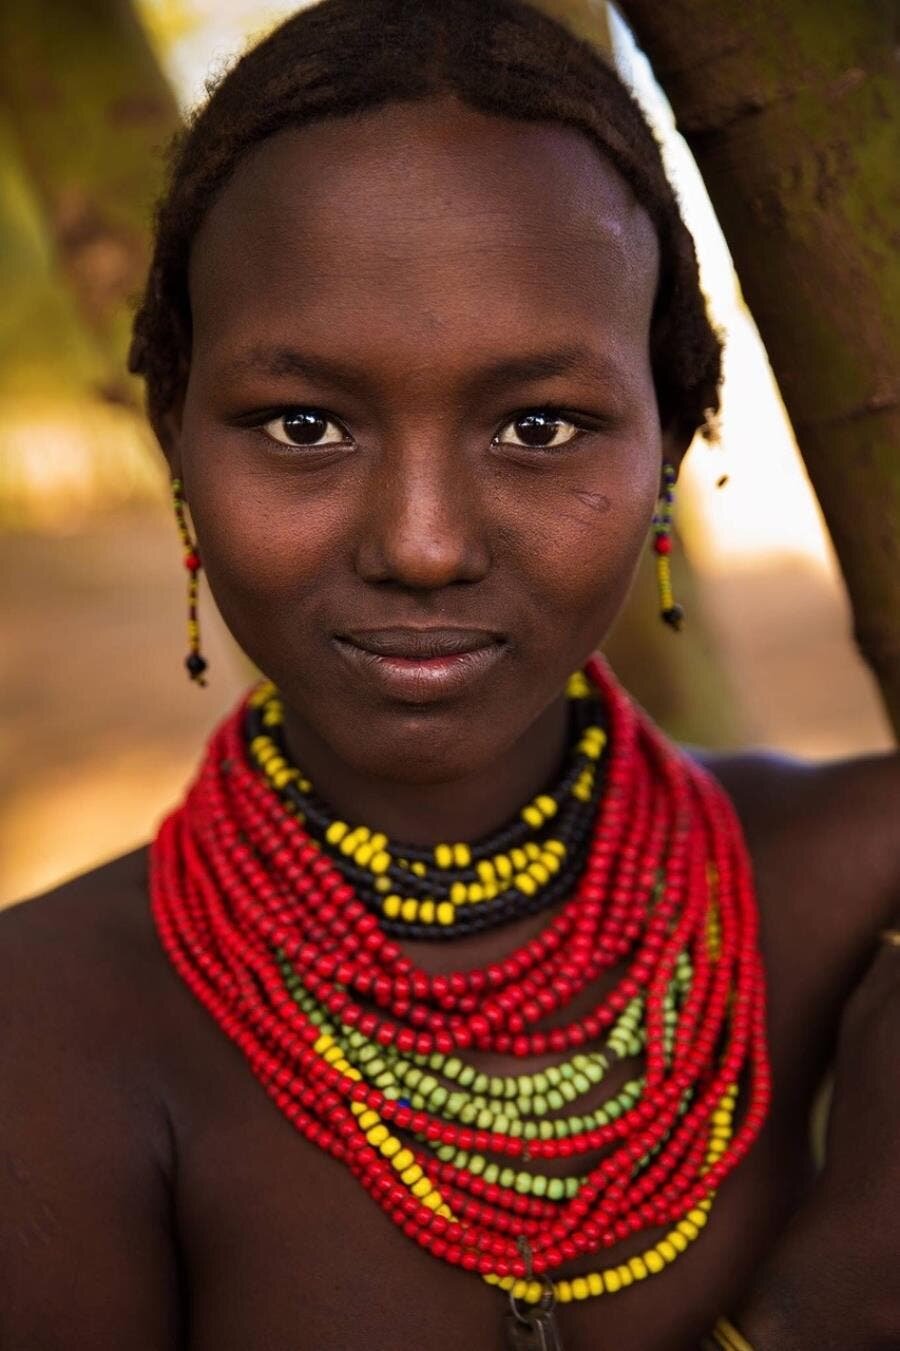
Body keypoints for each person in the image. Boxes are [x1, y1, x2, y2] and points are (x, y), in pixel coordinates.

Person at [1, 2, 898, 1348]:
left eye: (541, 425)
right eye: (303, 424)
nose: (421, 544)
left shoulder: (865, 876)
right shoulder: (50, 1031)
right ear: (177, 434)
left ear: (671, 435)